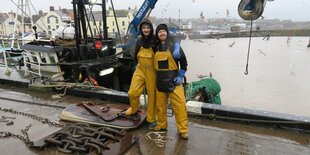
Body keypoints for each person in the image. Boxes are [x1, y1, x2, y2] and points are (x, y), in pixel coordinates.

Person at [153, 24, 189, 139]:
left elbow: (184, 63)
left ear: (167, 33)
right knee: (160, 106)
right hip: (160, 82)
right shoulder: (154, 47)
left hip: (174, 81)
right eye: (159, 32)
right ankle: (161, 124)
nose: (162, 33)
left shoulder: (174, 46)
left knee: (180, 106)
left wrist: (181, 75)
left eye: (164, 31)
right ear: (157, 34)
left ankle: (183, 130)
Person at [124, 18, 157, 129]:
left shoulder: (155, 41)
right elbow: (135, 57)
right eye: (144, 28)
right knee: (132, 92)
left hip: (152, 70)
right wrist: (135, 67)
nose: (146, 30)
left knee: (152, 96)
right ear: (141, 29)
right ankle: (134, 109)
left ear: (151, 29)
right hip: (140, 69)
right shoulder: (139, 41)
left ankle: (151, 119)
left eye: (148, 28)